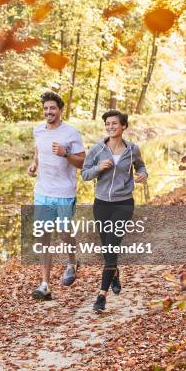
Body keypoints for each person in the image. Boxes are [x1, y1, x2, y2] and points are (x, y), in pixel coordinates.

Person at [81, 110, 147, 312]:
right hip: (101, 204)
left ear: (124, 126)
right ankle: (115, 272)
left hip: (123, 203)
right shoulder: (97, 150)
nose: (110, 127)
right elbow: (85, 174)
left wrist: (143, 175)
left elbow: (141, 167)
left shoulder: (132, 149)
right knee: (107, 249)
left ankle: (101, 296)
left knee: (112, 248)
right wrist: (98, 168)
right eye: (107, 124)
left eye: (114, 123)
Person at [28, 91, 86, 301]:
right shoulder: (38, 130)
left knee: (63, 234)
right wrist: (35, 163)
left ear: (61, 110)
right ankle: (45, 284)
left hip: (63, 192)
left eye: (52, 108)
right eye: (45, 109)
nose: (48, 112)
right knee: (43, 237)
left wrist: (65, 154)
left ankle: (72, 261)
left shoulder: (71, 133)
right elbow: (38, 149)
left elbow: (82, 162)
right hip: (42, 191)